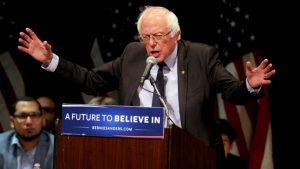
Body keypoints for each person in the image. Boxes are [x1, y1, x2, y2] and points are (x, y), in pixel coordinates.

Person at [17, 6, 275, 168]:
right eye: (146, 37)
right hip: (139, 155)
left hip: (193, 157)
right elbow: (92, 82)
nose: (151, 44)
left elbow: (230, 90)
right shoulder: (133, 54)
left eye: (158, 36)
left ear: (176, 35)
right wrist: (52, 61)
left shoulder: (201, 56)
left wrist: (249, 86)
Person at [0, 96, 54, 169]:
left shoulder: (56, 146)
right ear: (12, 122)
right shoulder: (1, 143)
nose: (29, 122)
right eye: (22, 116)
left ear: (42, 120)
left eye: (34, 115)